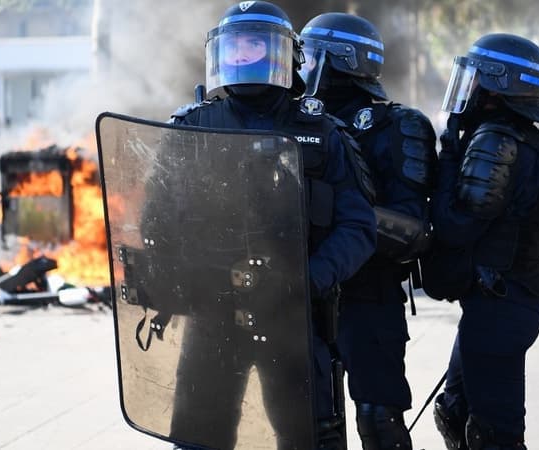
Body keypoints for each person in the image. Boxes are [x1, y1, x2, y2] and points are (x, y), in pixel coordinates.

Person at [163, 2, 377, 448]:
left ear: (285, 55)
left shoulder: (323, 132)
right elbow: (158, 220)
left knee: (309, 438)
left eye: (256, 47)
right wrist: (175, 280)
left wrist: (307, 282)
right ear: (219, 55)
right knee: (199, 436)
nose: (244, 58)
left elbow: (358, 227)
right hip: (212, 316)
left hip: (295, 318)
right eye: (235, 48)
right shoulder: (192, 127)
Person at [299, 13, 438, 450]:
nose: (298, 68)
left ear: (338, 60)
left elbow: (413, 230)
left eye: (307, 57)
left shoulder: (397, 125)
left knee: (379, 419)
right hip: (304, 291)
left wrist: (341, 219)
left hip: (368, 292)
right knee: (304, 419)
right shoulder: (294, 122)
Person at [430, 34, 539, 450]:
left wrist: (449, 152)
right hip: (503, 301)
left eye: (475, 78)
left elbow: (455, 227)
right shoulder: (526, 138)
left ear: (496, 85)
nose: (466, 88)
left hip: (500, 306)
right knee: (455, 410)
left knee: (495, 437)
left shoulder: (496, 140)